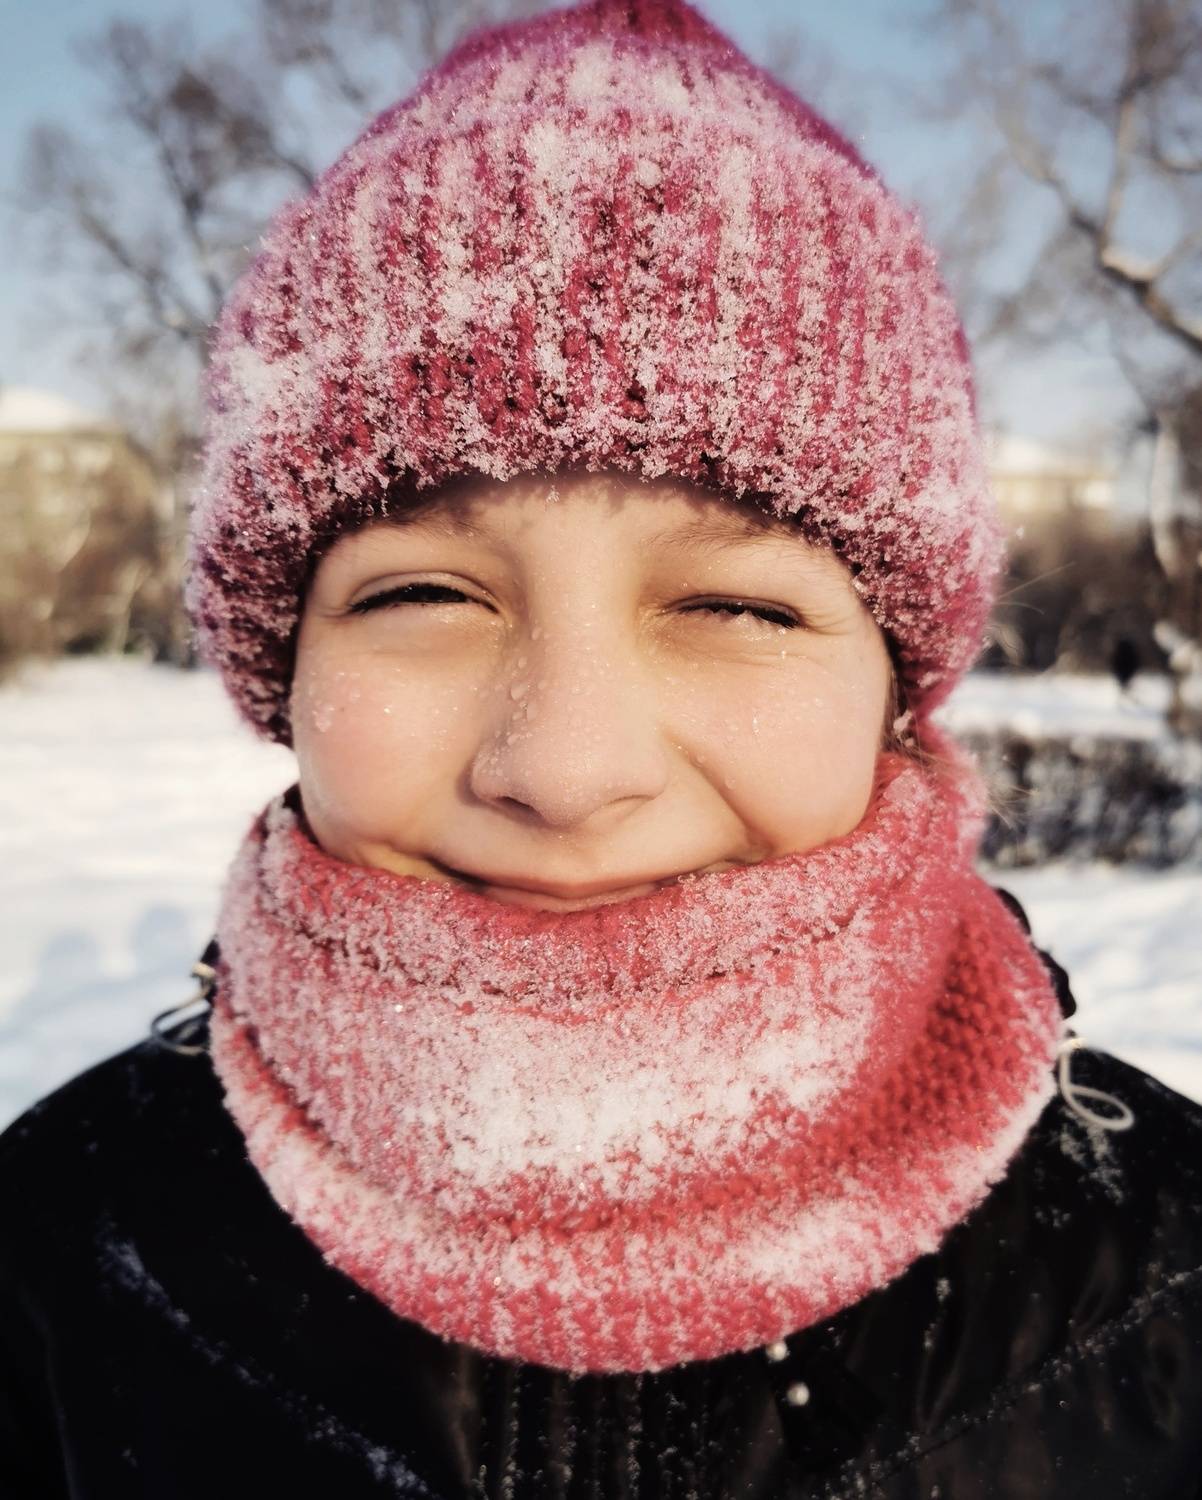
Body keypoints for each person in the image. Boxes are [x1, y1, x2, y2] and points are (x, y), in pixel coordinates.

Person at [3, 0, 1202, 1495]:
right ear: (285, 667)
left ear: (895, 691)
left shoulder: (1167, 1284)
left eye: (734, 606)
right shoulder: (56, 1253)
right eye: (424, 595)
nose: (565, 771)